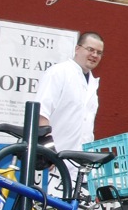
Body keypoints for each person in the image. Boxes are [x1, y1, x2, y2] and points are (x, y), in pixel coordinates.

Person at [36, 32, 103, 183]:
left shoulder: (92, 83)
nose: (94, 55)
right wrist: (48, 152)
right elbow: (41, 114)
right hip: (54, 163)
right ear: (77, 48)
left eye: (99, 52)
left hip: (79, 166)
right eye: (90, 49)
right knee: (49, 205)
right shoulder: (58, 73)